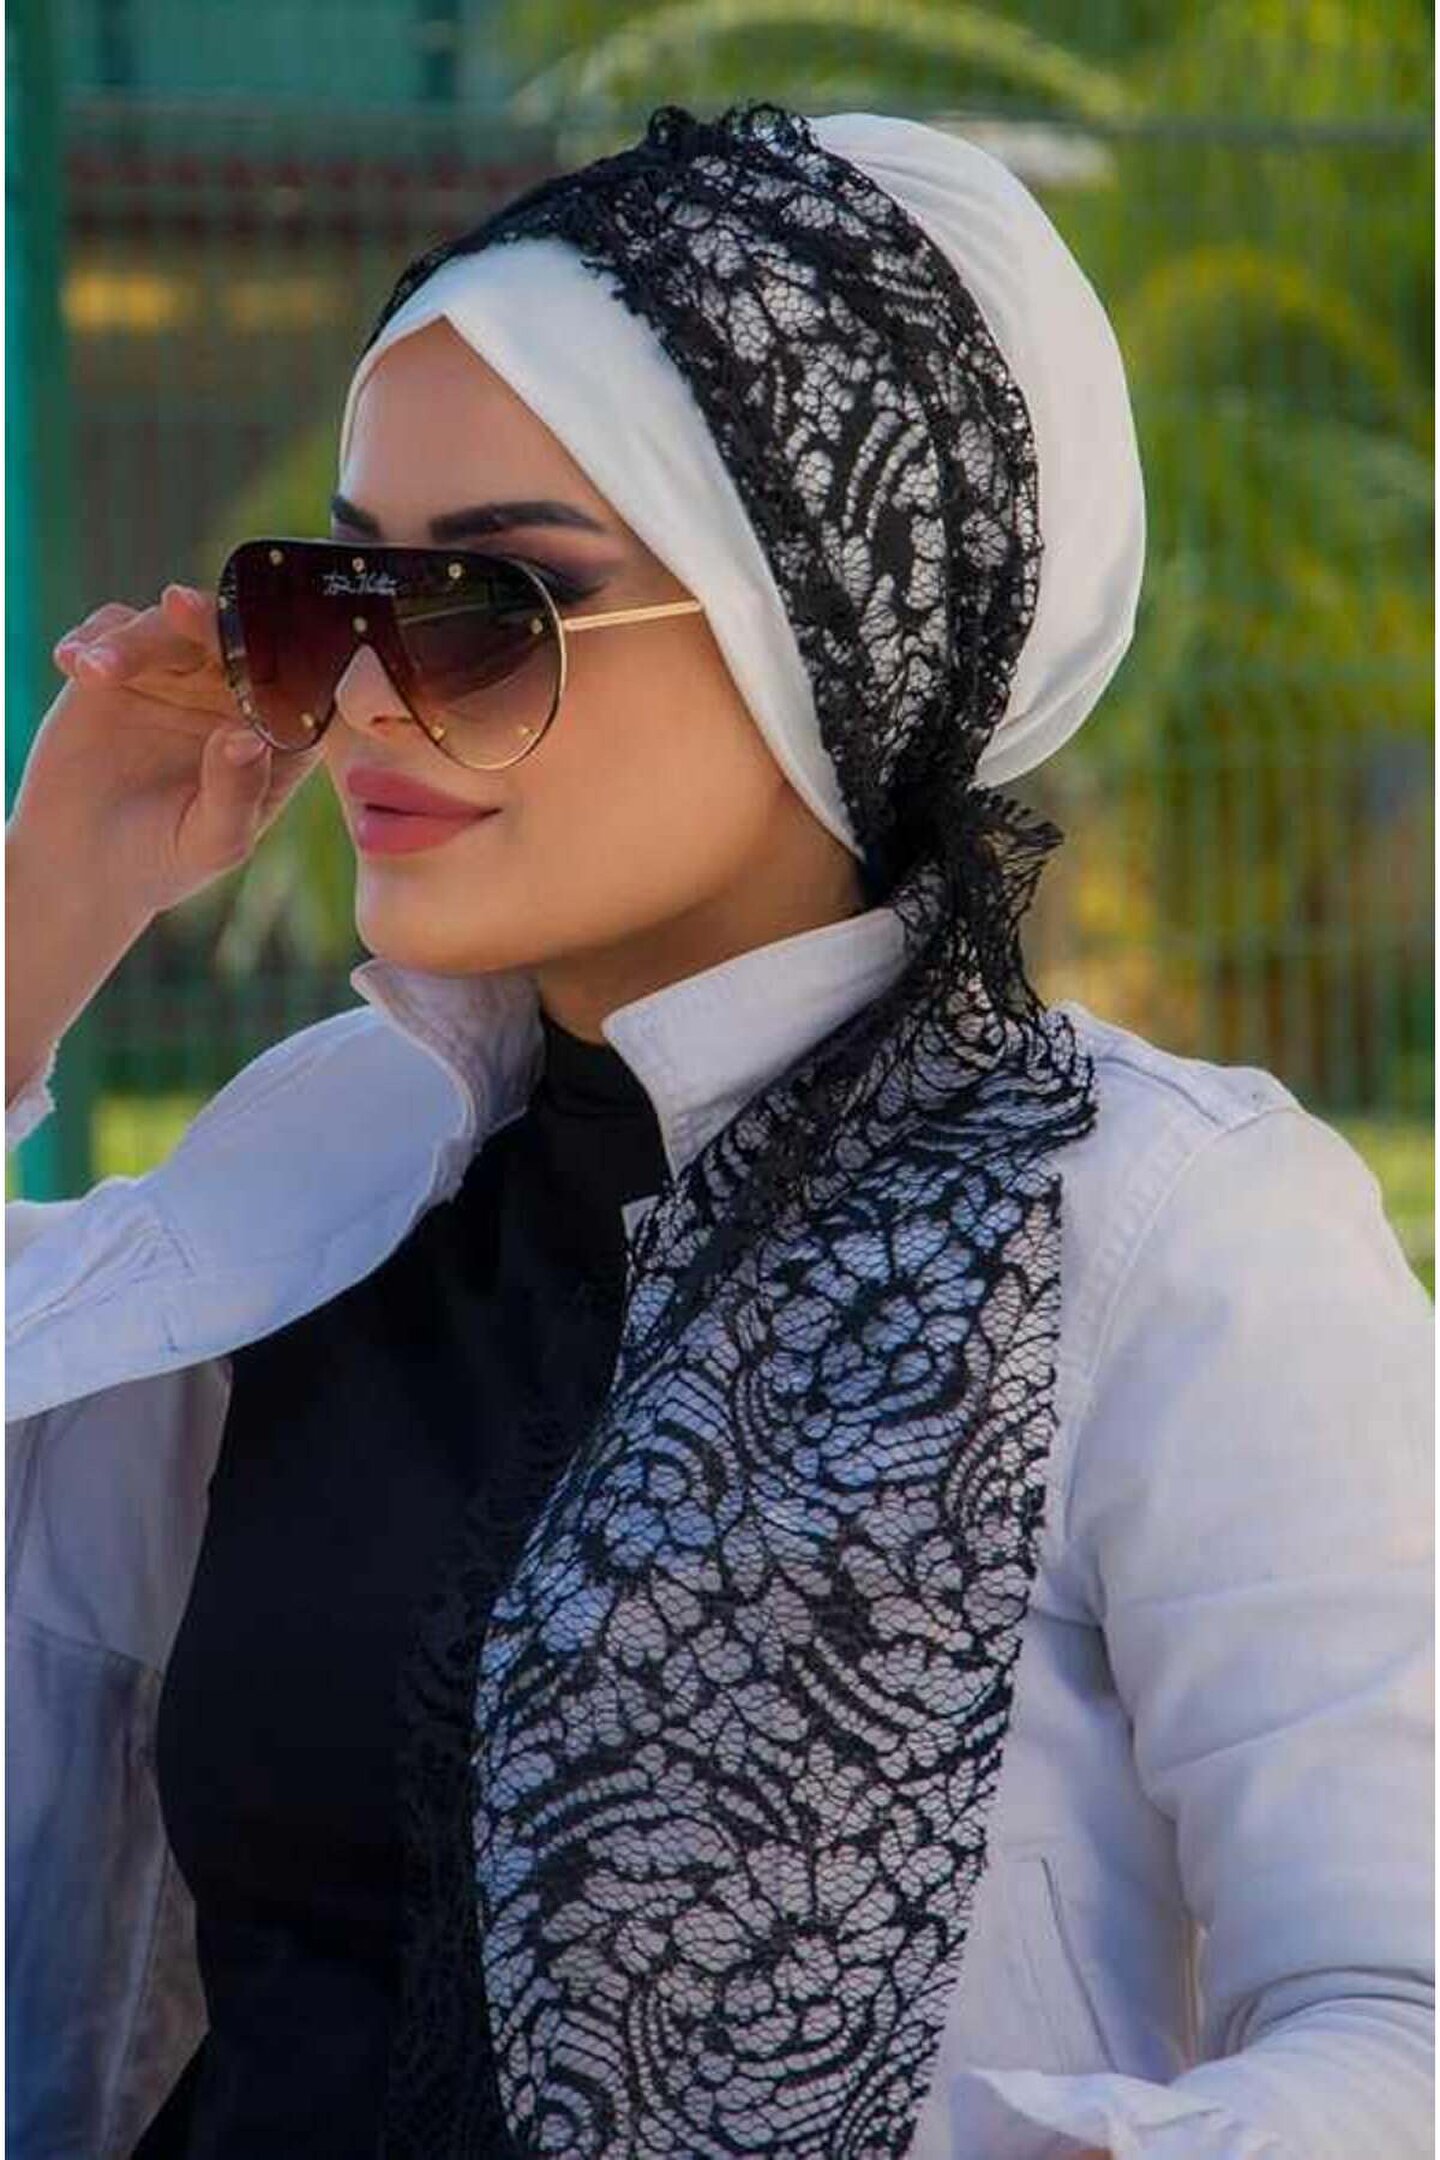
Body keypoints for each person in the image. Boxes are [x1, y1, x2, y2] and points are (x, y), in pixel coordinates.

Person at [5, 100, 1431, 2160]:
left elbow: (1397, 2017)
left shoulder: (1159, 1229)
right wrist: (40, 920)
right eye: (332, 594)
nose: (369, 697)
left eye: (486, 606)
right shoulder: (324, 1168)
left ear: (824, 628)